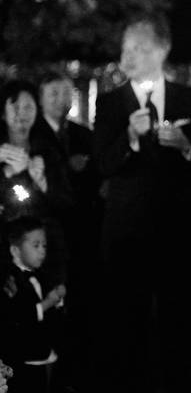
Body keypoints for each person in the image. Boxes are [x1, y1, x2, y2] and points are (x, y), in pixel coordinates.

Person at [93, 15, 191, 393]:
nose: (131, 57)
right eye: (127, 49)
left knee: (180, 323)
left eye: (141, 49)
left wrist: (187, 146)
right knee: (127, 325)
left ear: (162, 50)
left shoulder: (188, 98)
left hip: (177, 233)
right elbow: (102, 164)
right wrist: (130, 137)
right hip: (127, 234)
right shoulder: (111, 102)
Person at [32, 72, 99, 390]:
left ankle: (79, 370)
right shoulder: (33, 135)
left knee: (83, 303)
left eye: (64, 93)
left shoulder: (83, 134)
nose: (60, 99)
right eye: (53, 93)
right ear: (41, 98)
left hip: (82, 228)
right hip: (47, 230)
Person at [0, 81, 71, 285]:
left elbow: (66, 201)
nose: (21, 113)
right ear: (3, 112)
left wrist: (43, 184)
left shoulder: (47, 151)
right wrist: (8, 172)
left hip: (44, 248)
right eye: (15, 106)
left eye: (28, 107)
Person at [0, 216, 66, 393]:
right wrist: (49, 302)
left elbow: (52, 312)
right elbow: (18, 315)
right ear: (15, 250)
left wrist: (58, 300)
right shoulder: (9, 280)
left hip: (45, 350)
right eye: (35, 245)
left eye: (44, 246)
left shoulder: (41, 275)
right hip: (22, 356)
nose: (42, 251)